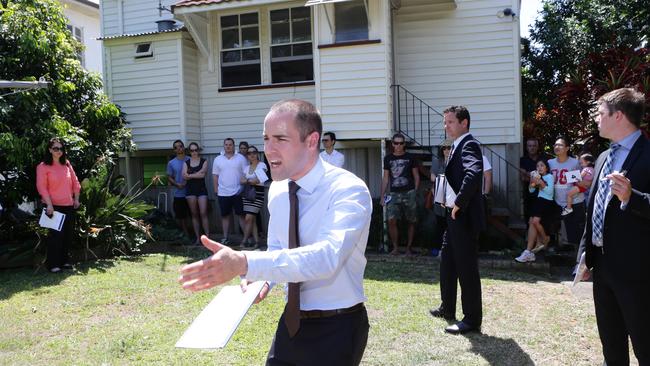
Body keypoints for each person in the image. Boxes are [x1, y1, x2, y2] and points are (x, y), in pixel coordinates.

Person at [179, 99, 372, 365]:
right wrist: (264, 280)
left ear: (312, 140)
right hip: (292, 324)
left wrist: (245, 262)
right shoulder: (279, 189)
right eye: (266, 138)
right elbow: (279, 249)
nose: (269, 149)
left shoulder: (348, 190)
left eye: (280, 138)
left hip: (338, 327)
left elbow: (327, 257)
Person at [577, 88, 650, 365]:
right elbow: (592, 209)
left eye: (600, 113)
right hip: (603, 268)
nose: (596, 119)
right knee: (612, 347)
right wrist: (585, 254)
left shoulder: (648, 154)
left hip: (639, 272)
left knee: (645, 345)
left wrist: (633, 197)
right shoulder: (602, 158)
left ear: (618, 116)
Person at [429, 105, 485, 335]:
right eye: (445, 122)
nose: (446, 126)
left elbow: (474, 174)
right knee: (447, 262)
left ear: (464, 123)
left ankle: (472, 320)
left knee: (466, 268)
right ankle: (447, 307)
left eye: (450, 121)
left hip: (463, 217)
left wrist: (459, 203)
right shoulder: (456, 145)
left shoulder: (469, 144)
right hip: (453, 217)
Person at [36, 138, 81, 273]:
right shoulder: (43, 166)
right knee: (55, 237)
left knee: (67, 235)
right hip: (53, 207)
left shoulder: (66, 164)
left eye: (61, 149)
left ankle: (65, 262)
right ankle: (53, 264)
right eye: (56, 148)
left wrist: (76, 199)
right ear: (50, 150)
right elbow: (42, 187)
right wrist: (49, 205)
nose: (59, 151)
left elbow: (75, 182)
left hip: (68, 205)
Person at [381, 133, 420, 256]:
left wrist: (415, 191)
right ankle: (396, 248)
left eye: (401, 143)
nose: (398, 146)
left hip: (409, 192)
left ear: (404, 144)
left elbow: (416, 176)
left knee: (411, 220)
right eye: (396, 143)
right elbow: (386, 178)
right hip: (393, 193)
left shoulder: (410, 157)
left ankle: (408, 248)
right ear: (392, 144)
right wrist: (382, 196)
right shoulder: (388, 158)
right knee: (391, 220)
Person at [548, 136, 585, 248]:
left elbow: (582, 182)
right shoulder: (550, 163)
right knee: (557, 230)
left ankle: (578, 259)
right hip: (557, 201)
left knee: (575, 234)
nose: (557, 147)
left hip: (574, 201)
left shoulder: (575, 163)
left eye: (560, 145)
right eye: (555, 145)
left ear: (567, 148)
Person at [515, 159, 555, 263]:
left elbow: (549, 191)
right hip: (538, 201)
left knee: (535, 222)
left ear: (546, 167)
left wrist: (541, 182)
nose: (539, 168)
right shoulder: (537, 177)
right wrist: (532, 183)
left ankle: (544, 238)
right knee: (532, 222)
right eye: (537, 166)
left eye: (542, 166)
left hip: (546, 202)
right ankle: (530, 252)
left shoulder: (549, 177)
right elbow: (531, 190)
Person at [212, 138, 247, 245]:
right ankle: (225, 237)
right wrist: (216, 189)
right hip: (223, 192)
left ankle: (246, 238)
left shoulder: (241, 158)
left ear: (234, 146)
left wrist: (243, 187)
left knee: (241, 216)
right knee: (225, 216)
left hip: (238, 192)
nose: (228, 146)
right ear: (223, 146)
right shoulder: (218, 159)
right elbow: (215, 175)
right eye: (226, 144)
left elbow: (246, 173)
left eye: (230, 144)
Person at [239, 145, 268, 249]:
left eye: (254, 152)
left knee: (248, 218)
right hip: (247, 194)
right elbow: (241, 180)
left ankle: (244, 240)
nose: (252, 155)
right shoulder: (246, 167)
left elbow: (258, 180)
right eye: (249, 153)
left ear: (257, 154)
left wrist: (248, 180)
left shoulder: (262, 165)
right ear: (247, 156)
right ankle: (256, 242)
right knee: (253, 219)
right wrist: (250, 180)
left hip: (258, 194)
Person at [182, 142, 210, 245]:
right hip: (190, 191)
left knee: (203, 213)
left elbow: (202, 175)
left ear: (198, 150)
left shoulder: (204, 161)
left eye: (196, 150)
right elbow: (184, 176)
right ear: (189, 152)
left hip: (201, 190)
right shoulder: (186, 163)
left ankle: (207, 238)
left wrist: (190, 175)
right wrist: (196, 174)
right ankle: (198, 238)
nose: (194, 152)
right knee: (194, 214)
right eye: (192, 150)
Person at [430, 139, 453, 256]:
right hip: (439, 197)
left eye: (449, 148)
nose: (446, 150)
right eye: (444, 148)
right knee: (440, 225)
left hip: (452, 198)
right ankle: (437, 248)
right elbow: (433, 177)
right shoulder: (437, 162)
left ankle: (450, 250)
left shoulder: (455, 162)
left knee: (451, 225)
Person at [520, 137, 550, 224]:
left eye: (534, 146)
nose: (532, 148)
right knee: (530, 219)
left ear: (537, 147)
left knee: (542, 220)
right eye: (529, 146)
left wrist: (529, 174)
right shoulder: (523, 160)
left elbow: (547, 175)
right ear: (526, 147)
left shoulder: (543, 159)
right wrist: (539, 175)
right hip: (529, 194)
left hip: (543, 194)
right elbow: (523, 177)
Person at [167, 140, 191, 236]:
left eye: (180, 146)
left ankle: (198, 235)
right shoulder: (171, 163)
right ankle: (184, 234)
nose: (179, 148)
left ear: (183, 147)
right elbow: (169, 177)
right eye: (176, 147)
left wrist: (186, 182)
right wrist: (177, 184)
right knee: (181, 215)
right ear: (174, 150)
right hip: (179, 193)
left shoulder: (190, 159)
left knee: (193, 214)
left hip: (191, 191)